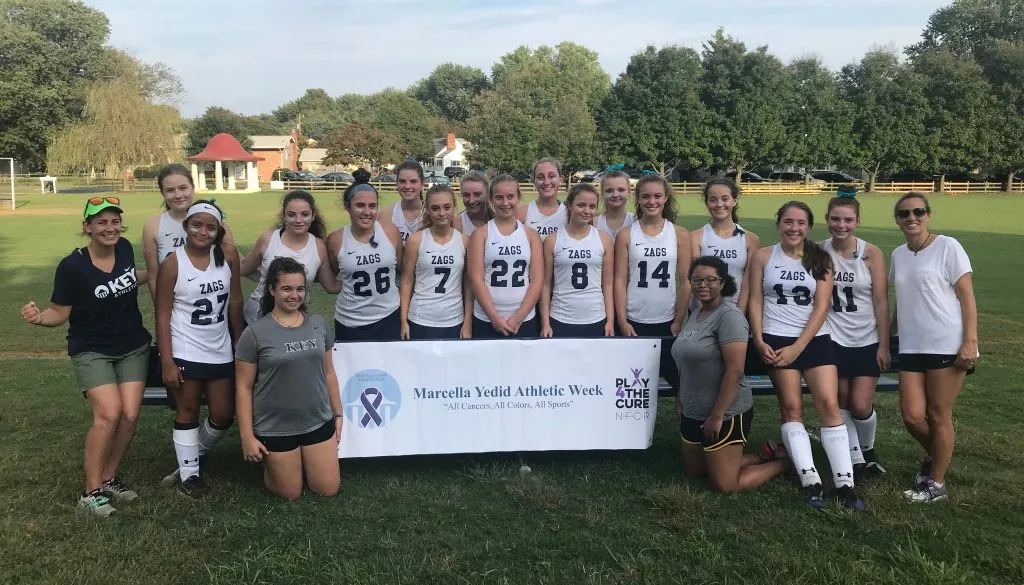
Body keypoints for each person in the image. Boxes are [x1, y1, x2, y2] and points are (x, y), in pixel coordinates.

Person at [20, 197, 151, 517]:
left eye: (115, 221)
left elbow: (131, 279)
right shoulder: (72, 267)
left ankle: (108, 478)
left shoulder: (124, 250)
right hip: (92, 349)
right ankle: (90, 494)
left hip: (133, 345)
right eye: (102, 222)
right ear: (87, 227)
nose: (110, 228)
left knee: (130, 415)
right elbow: (59, 312)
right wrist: (39, 318)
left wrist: (172, 268)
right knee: (108, 413)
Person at [748, 201, 864, 511]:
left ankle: (845, 483)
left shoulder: (820, 258)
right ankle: (810, 479)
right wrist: (759, 340)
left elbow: (822, 306)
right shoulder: (763, 256)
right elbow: (756, 300)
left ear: (809, 226)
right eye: (788, 221)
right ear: (779, 223)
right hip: (775, 337)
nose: (794, 228)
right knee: (791, 406)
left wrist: (799, 346)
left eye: (800, 223)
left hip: (813, 339)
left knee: (828, 404)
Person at [672, 256, 789, 492]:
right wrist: (681, 398)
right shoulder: (696, 313)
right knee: (695, 471)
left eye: (710, 280)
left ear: (723, 283)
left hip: (725, 412)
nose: (702, 285)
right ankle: (758, 456)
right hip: (693, 409)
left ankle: (784, 464)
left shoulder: (730, 317)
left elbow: (735, 371)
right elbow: (688, 362)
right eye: (696, 280)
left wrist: (717, 416)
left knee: (725, 484)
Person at [891, 192, 978, 503]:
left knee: (938, 413)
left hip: (946, 342)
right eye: (904, 213)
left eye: (918, 211)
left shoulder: (948, 247)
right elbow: (901, 301)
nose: (911, 217)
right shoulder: (898, 254)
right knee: (912, 416)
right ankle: (938, 456)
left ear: (927, 215)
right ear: (897, 220)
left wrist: (970, 341)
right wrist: (889, 336)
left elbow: (966, 296)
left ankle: (936, 483)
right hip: (911, 345)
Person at [155, 199, 244, 498]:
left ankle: (192, 457)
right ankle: (190, 476)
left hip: (219, 346)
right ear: (185, 226)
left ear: (218, 230)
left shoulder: (228, 255)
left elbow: (235, 300)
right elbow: (162, 313)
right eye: (197, 225)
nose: (203, 232)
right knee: (188, 409)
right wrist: (166, 359)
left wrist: (240, 341)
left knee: (222, 414)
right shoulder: (173, 263)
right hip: (185, 347)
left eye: (210, 227)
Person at [235, 257, 342, 500]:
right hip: (275, 427)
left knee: (328, 489)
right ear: (272, 290)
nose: (294, 295)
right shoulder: (254, 333)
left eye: (299, 289)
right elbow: (243, 388)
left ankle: (301, 460)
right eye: (286, 289)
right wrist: (247, 437)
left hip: (316, 420)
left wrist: (338, 414)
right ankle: (273, 466)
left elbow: (328, 373)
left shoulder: (318, 324)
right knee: (290, 493)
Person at [821, 192, 890, 479]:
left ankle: (868, 448)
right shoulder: (818, 251)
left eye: (848, 219)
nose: (841, 225)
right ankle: (855, 459)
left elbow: (881, 301)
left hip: (865, 338)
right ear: (827, 220)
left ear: (857, 221)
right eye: (835, 218)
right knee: (841, 400)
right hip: (832, 337)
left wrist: (883, 344)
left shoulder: (870, 252)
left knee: (860, 404)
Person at [614, 174, 690, 392]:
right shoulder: (626, 234)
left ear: (666, 198)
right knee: (630, 381)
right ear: (637, 199)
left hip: (666, 319)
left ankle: (686, 422)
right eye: (646, 196)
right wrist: (622, 320)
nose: (652, 201)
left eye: (657, 196)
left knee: (679, 381)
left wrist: (678, 320)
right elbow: (619, 280)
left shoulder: (679, 234)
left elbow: (686, 282)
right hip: (633, 319)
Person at [239, 190, 340, 325]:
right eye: (291, 215)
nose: (298, 220)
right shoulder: (268, 239)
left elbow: (331, 286)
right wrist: (226, 244)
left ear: (313, 215)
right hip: (256, 319)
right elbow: (244, 268)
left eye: (305, 215)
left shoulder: (319, 247)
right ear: (284, 216)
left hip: (294, 321)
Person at [142, 164, 234, 301]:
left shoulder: (213, 221)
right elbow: (153, 276)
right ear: (162, 193)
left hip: (213, 310)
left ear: (193, 188)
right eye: (170, 190)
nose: (178, 195)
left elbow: (234, 263)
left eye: (183, 188)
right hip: (177, 312)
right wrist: (162, 312)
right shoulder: (153, 226)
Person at [468, 174, 544, 338]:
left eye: (510, 197)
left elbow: (537, 280)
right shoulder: (480, 234)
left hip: (524, 319)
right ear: (491, 199)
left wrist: (518, 318)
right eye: (499, 198)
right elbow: (476, 279)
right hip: (486, 318)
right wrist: (494, 317)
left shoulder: (531, 236)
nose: (505, 203)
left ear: (518, 197)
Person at [327, 179, 403, 341]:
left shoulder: (390, 231)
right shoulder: (336, 239)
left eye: (372, 206)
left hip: (389, 316)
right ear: (347, 207)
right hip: (350, 320)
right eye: (360, 205)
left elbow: (401, 269)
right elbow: (332, 276)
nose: (367, 212)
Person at [540, 184, 615, 338]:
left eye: (592, 206)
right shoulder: (553, 240)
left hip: (596, 317)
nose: (587, 211)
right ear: (569, 206)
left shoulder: (603, 239)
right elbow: (546, 284)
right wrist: (545, 322)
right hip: (561, 318)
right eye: (581, 205)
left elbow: (607, 284)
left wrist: (610, 320)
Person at [399, 184, 472, 339]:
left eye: (447, 207)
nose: (441, 213)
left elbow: (468, 286)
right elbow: (406, 281)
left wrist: (467, 322)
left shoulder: (464, 241)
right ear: (427, 209)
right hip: (421, 318)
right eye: (435, 208)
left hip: (453, 319)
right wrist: (403, 320)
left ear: (454, 207)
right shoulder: (416, 240)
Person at [690, 179, 759, 311]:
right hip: (702, 312)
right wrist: (705, 314)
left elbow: (747, 284)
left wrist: (738, 315)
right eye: (713, 199)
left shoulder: (750, 239)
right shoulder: (695, 237)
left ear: (734, 201)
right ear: (707, 203)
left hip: (735, 311)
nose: (719, 204)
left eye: (725, 199)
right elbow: (695, 281)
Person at [517, 158, 565, 240]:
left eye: (551, 176)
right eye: (540, 177)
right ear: (534, 182)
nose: (546, 182)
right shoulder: (522, 213)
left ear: (561, 180)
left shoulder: (569, 215)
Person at [379, 160, 424, 243]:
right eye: (402, 181)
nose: (407, 186)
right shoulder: (386, 215)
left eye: (413, 181)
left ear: (422, 184)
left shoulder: (432, 215)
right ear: (397, 183)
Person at [596, 170, 635, 237]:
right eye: (609, 191)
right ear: (602, 194)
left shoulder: (636, 221)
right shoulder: (593, 223)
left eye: (621, 190)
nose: (615, 195)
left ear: (629, 192)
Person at [455, 171, 492, 237]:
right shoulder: (458, 223)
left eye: (477, 194)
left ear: (488, 194)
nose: (471, 201)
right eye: (466, 195)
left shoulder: (499, 220)